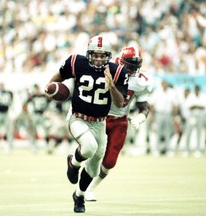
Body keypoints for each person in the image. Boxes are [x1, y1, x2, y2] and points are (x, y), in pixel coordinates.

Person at [45, 35, 129, 213]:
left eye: (102, 55)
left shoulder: (117, 72)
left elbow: (120, 103)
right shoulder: (77, 62)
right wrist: (49, 87)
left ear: (108, 56)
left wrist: (111, 85)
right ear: (89, 54)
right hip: (78, 117)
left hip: (100, 123)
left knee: (94, 164)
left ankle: (79, 195)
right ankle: (74, 163)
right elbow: (59, 76)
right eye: (95, 55)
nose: (99, 59)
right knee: (89, 147)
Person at [84, 45, 153, 201]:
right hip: (100, 116)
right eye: (129, 65)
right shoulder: (108, 68)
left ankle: (91, 188)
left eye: (136, 65)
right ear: (121, 62)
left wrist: (139, 118)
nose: (133, 68)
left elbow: (144, 108)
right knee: (93, 152)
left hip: (120, 120)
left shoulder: (141, 80)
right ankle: (82, 179)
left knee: (109, 161)